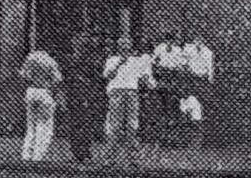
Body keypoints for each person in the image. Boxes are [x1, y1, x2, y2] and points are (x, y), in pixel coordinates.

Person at [103, 36, 154, 167]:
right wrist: (119, 64)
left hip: (131, 93)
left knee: (132, 125)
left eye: (127, 45)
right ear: (118, 47)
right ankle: (109, 158)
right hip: (116, 92)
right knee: (115, 125)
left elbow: (145, 77)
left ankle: (134, 158)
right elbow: (108, 76)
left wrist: (147, 80)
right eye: (122, 45)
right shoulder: (112, 60)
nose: (124, 47)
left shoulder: (136, 61)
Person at [18, 49, 63, 161]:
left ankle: (26, 154)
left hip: (31, 91)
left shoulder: (31, 59)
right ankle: (39, 155)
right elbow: (57, 80)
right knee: (44, 125)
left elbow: (23, 76)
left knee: (31, 125)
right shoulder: (50, 61)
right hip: (44, 91)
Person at [65, 33, 100, 163]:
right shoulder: (71, 60)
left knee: (85, 124)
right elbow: (68, 79)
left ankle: (84, 151)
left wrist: (88, 95)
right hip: (74, 96)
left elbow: (93, 80)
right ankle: (76, 152)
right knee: (75, 124)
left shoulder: (89, 61)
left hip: (84, 96)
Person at [152, 32, 187, 147]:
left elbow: (182, 64)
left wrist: (177, 72)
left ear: (173, 41)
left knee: (173, 107)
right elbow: (154, 61)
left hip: (173, 75)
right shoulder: (159, 48)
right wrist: (158, 72)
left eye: (171, 40)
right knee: (162, 108)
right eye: (167, 40)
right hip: (162, 75)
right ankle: (162, 138)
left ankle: (173, 138)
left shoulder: (177, 50)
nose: (169, 42)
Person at [182, 35, 214, 146]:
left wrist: (208, 83)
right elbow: (184, 62)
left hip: (202, 80)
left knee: (199, 108)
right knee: (188, 103)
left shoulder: (208, 52)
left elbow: (210, 69)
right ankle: (189, 137)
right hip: (191, 78)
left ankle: (197, 140)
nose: (198, 42)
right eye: (196, 40)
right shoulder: (189, 49)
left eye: (200, 40)